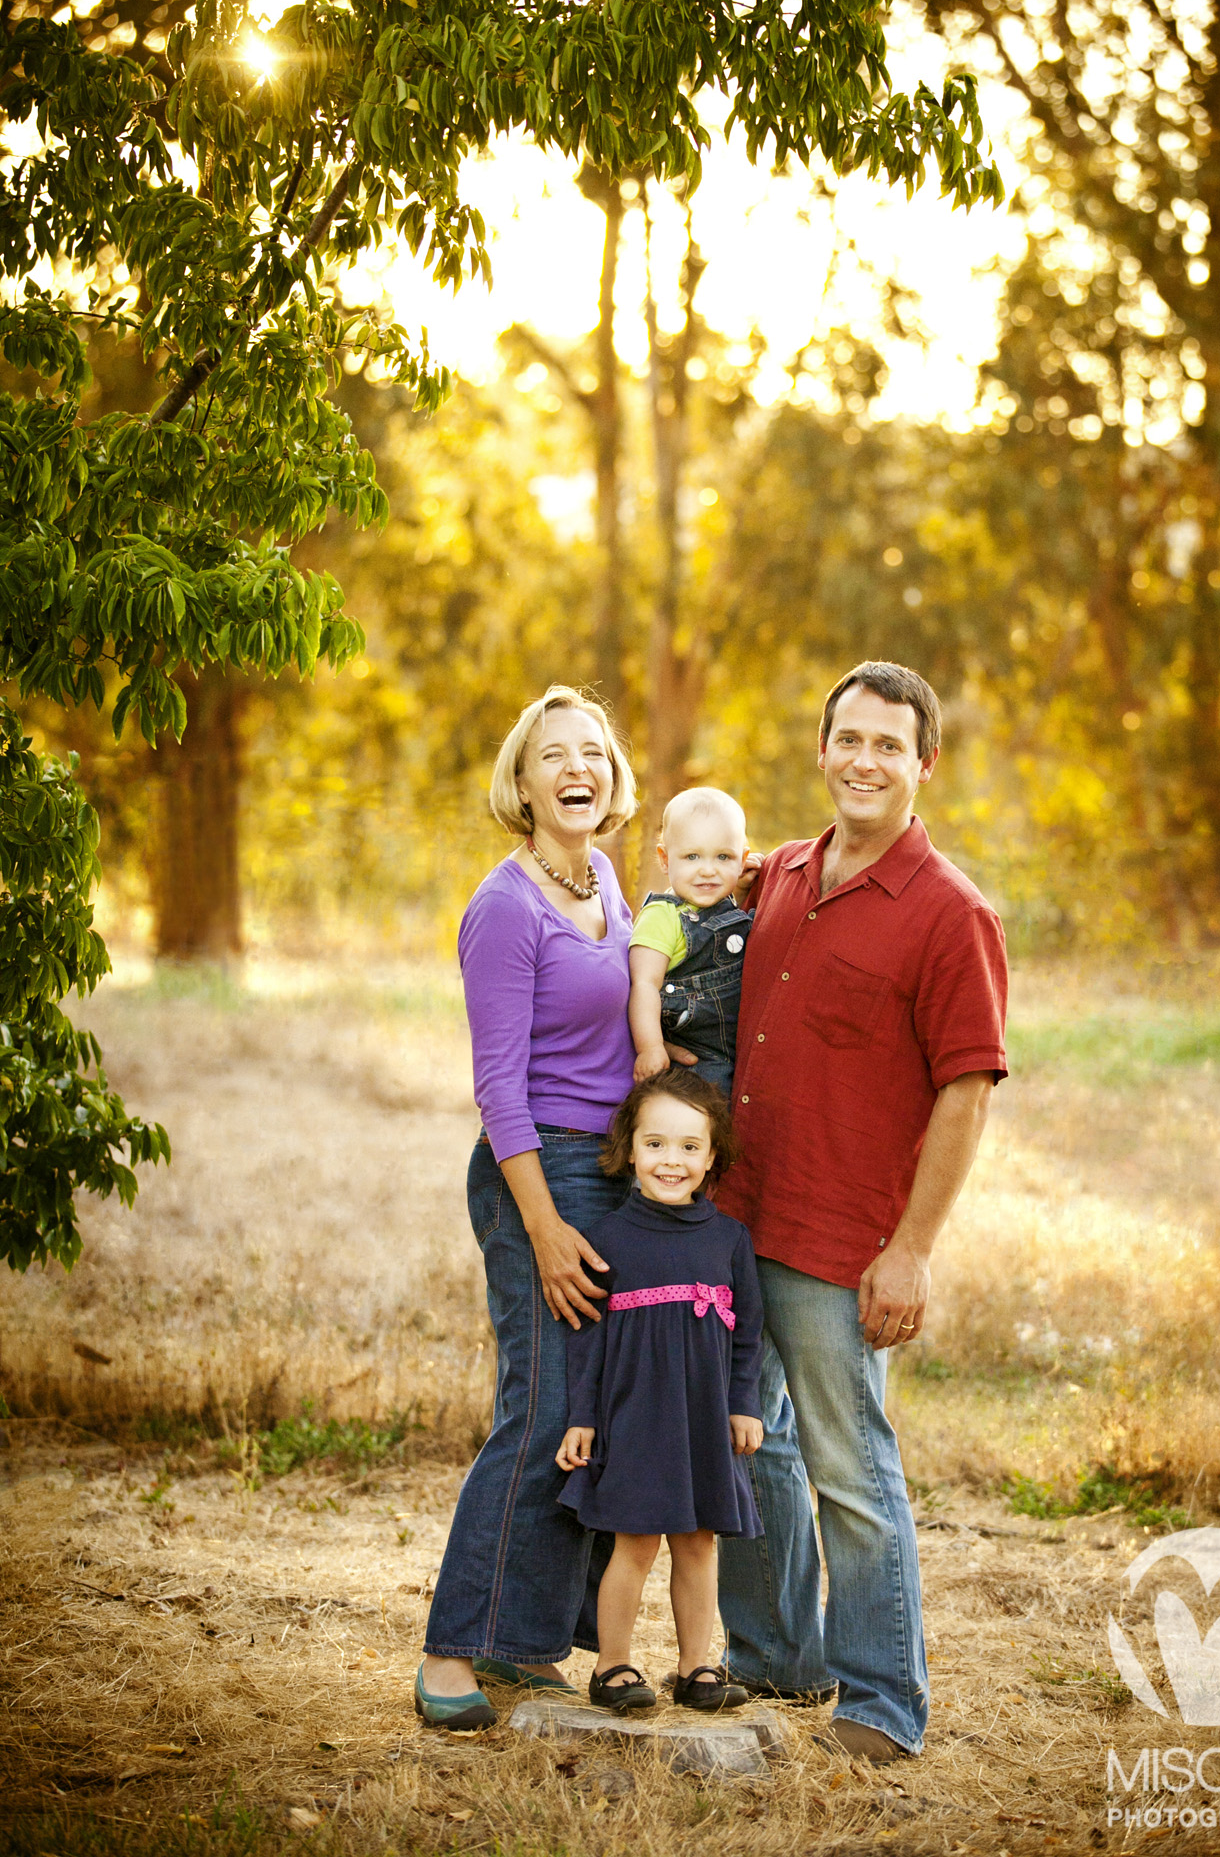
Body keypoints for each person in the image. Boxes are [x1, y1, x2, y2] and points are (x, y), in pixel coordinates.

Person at [714, 660, 1008, 1762]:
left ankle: (882, 1704)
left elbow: (966, 1091)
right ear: (821, 748)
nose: (865, 761)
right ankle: (775, 1656)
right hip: (735, 1216)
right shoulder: (782, 873)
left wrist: (912, 1251)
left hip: (840, 1243)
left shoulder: (951, 913)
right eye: (849, 738)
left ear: (925, 762)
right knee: (747, 1445)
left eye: (889, 744)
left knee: (850, 1470)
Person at [416, 685, 639, 1732]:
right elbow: (498, 1089)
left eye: (591, 750)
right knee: (542, 1410)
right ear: (522, 782)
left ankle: (523, 1640)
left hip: (611, 1173)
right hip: (535, 1176)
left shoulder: (604, 881)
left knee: (590, 1418)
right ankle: (451, 1651)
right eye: (552, 754)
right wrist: (544, 1227)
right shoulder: (505, 906)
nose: (574, 767)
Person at [556, 1066, 764, 1712]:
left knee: (698, 1543)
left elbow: (748, 1336)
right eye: (655, 1144)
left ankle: (696, 1668)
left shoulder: (729, 1240)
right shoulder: (607, 1240)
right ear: (629, 1150)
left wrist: (743, 1405)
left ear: (711, 1156)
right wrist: (583, 1417)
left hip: (702, 1420)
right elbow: (586, 1340)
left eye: (688, 1146)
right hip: (637, 1418)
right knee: (635, 1544)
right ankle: (612, 1667)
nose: (671, 1160)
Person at [627, 787, 754, 1097]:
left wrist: (742, 889)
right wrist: (650, 1047)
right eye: (692, 856)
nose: (708, 870)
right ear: (665, 859)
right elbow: (644, 984)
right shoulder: (662, 916)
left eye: (723, 857)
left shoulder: (728, 902)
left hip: (741, 1053)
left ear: (742, 860)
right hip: (694, 1061)